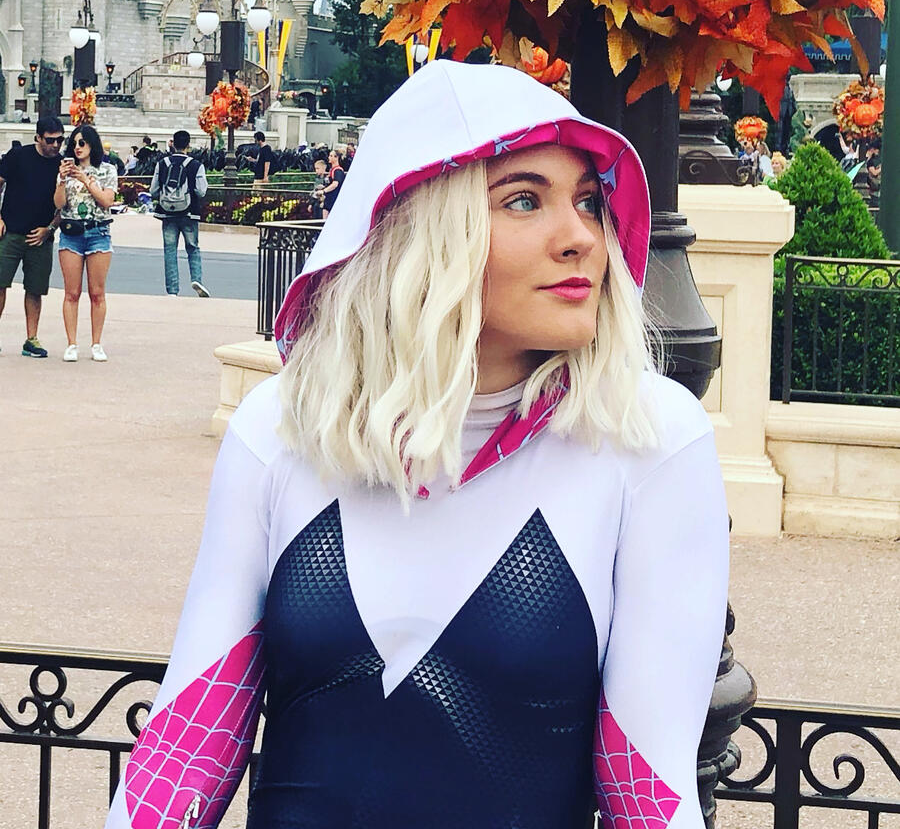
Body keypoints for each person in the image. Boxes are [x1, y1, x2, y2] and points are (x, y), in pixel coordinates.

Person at [105, 61, 727, 829]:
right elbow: (185, 751)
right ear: (422, 230)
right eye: (524, 199)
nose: (581, 238)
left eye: (589, 201)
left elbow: (649, 792)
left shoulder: (648, 438)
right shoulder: (282, 428)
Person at [0, 117, 65, 357]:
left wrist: (50, 229)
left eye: (60, 140)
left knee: (35, 289)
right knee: (0, 284)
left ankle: (31, 339)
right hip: (10, 233)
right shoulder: (18, 156)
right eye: (50, 140)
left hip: (41, 236)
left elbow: (65, 206)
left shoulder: (62, 165)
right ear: (38, 137)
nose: (55, 145)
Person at [54, 124, 118, 362]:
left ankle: (96, 343)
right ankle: (71, 343)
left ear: (92, 144)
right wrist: (62, 180)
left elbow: (107, 201)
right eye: (74, 144)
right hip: (71, 232)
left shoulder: (107, 169)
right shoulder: (66, 170)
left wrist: (86, 180)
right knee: (71, 292)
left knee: (97, 292)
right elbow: (59, 204)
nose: (78, 148)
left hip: (98, 231)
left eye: (82, 143)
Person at [150, 130, 210, 297]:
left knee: (170, 250)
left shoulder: (162, 163)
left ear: (173, 144)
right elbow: (201, 191)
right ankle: (196, 279)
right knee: (192, 247)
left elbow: (153, 190)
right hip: (189, 213)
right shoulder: (196, 165)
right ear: (188, 145)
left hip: (167, 213)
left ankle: (172, 290)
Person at [321, 147, 345, 218]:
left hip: (334, 197)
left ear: (336, 158)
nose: (329, 157)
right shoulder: (332, 170)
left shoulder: (338, 171)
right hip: (329, 198)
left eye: (331, 156)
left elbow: (335, 184)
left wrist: (324, 191)